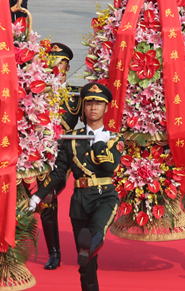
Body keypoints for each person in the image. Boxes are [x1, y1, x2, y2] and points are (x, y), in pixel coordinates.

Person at [29, 83, 122, 291]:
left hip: (104, 197)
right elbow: (59, 172)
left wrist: (99, 142)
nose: (93, 107)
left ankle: (87, 247)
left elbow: (109, 165)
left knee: (97, 231)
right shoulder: (71, 139)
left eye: (99, 103)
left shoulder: (114, 138)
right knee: (86, 269)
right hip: (80, 201)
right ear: (84, 107)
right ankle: (87, 255)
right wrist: (38, 196)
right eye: (89, 102)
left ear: (106, 108)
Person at [37, 43, 75, 270]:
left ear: (67, 68)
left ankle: (54, 253)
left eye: (61, 65)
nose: (56, 70)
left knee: (48, 196)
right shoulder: (33, 94)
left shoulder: (74, 97)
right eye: (52, 64)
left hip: (61, 157)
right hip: (35, 154)